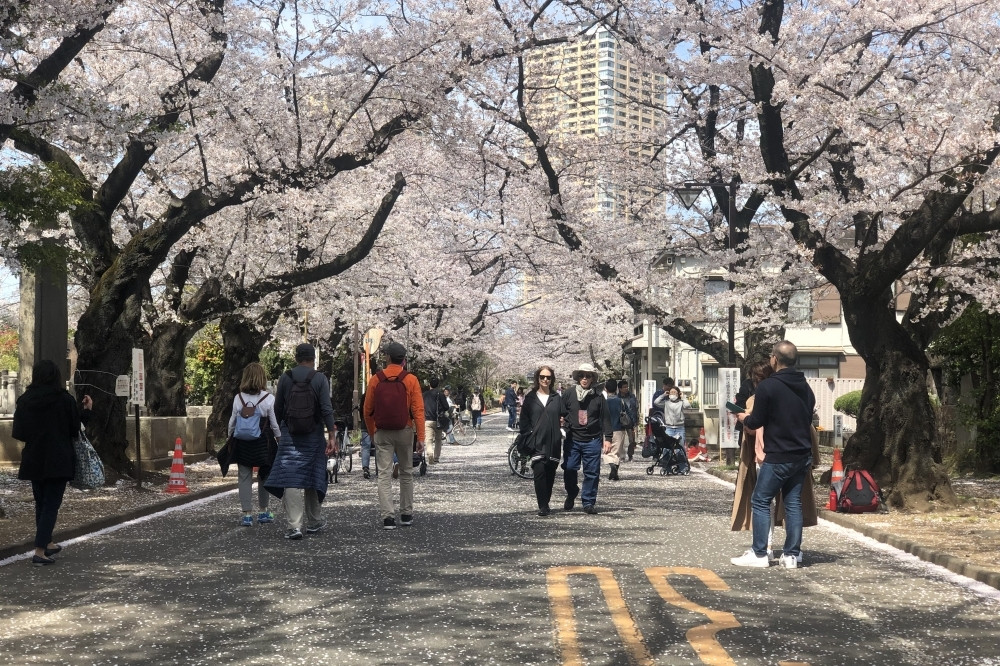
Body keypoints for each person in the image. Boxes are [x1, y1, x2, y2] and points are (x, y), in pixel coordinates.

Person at [732, 341, 815, 569]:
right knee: (793, 503)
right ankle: (792, 555)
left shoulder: (768, 387)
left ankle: (759, 553)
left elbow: (756, 420)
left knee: (760, 500)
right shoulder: (805, 387)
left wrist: (743, 419)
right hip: (801, 455)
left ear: (775, 359)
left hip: (778, 455)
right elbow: (807, 419)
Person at [12, 360, 93, 565]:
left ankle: (47, 542)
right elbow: (75, 429)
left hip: (34, 457)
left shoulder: (24, 400)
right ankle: (39, 551)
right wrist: (86, 411)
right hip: (58, 458)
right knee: (51, 505)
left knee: (41, 502)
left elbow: (19, 432)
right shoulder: (64, 399)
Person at [266, 343, 337, 541]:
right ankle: (314, 521)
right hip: (313, 434)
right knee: (313, 475)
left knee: (291, 477)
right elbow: (326, 409)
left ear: (296, 358)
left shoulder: (285, 378)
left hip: (290, 435)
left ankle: (294, 526)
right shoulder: (320, 378)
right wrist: (331, 434)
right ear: (313, 359)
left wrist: (280, 431)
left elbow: (278, 408)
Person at [364, 341, 424, 530]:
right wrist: (420, 437)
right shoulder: (410, 379)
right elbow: (419, 410)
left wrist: (372, 431)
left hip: (382, 431)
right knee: (406, 472)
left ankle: (388, 517)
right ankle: (406, 514)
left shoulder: (376, 379)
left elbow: (367, 410)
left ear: (387, 357)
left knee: (384, 474)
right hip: (405, 430)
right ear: (403, 360)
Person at [227, 362, 281, 526]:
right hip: (263, 442)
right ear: (262, 378)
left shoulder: (238, 398)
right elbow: (274, 424)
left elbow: (232, 421)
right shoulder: (269, 398)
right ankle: (264, 512)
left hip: (243, 442)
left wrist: (230, 437)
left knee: (244, 476)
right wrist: (279, 439)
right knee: (264, 475)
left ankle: (247, 515)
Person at [561, 362, 613, 515]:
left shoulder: (598, 396)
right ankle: (572, 492)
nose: (584, 379)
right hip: (572, 438)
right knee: (569, 468)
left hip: (592, 440)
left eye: (588, 376)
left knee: (592, 472)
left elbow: (605, 418)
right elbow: (560, 412)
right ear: (577, 377)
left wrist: (608, 438)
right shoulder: (569, 393)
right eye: (582, 376)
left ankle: (588, 501)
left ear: (592, 379)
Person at [518, 366, 566, 516]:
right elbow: (524, 419)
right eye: (542, 377)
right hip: (536, 442)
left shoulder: (556, 398)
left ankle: (546, 501)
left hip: (553, 441)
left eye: (548, 377)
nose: (545, 380)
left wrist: (563, 425)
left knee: (550, 473)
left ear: (552, 380)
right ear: (537, 379)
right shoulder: (530, 397)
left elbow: (565, 415)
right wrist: (528, 433)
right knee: (539, 472)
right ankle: (543, 505)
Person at [422, 378, 448, 464]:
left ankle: (430, 454)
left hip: (427, 419)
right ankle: (436, 457)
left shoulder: (424, 394)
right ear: (438, 385)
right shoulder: (440, 394)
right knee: (438, 439)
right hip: (438, 420)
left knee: (428, 439)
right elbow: (446, 407)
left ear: (430, 385)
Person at [604, 379, 625, 481]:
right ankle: (615, 472)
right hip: (619, 428)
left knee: (607, 451)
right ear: (616, 388)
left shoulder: (604, 402)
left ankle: (612, 466)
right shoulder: (620, 401)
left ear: (606, 389)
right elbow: (627, 413)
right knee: (617, 452)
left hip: (606, 429)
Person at [618, 380, 639, 462]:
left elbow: (635, 409)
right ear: (620, 388)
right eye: (624, 387)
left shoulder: (632, 396)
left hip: (630, 420)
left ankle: (630, 455)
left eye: (627, 387)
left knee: (631, 440)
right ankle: (622, 456)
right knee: (621, 439)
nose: (626, 388)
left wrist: (635, 421)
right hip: (621, 421)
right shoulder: (617, 398)